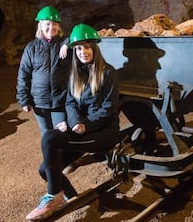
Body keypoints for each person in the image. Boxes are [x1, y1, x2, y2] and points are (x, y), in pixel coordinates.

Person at [25, 23, 121, 221]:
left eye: (87, 47)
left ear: (94, 48)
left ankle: (53, 196)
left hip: (103, 133)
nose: (82, 52)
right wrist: (72, 122)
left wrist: (85, 125)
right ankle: (74, 197)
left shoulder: (108, 73)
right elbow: (70, 102)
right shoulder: (76, 75)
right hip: (82, 129)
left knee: (49, 138)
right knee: (45, 169)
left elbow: (109, 109)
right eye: (78, 48)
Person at [17, 6, 71, 135]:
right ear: (40, 26)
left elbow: (78, 35)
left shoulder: (64, 45)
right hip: (39, 101)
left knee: (61, 133)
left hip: (60, 100)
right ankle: (49, 156)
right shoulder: (31, 48)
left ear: (59, 27)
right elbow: (24, 74)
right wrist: (24, 100)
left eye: (54, 24)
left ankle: (63, 156)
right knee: (46, 134)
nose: (51, 27)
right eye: (47, 24)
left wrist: (68, 43)